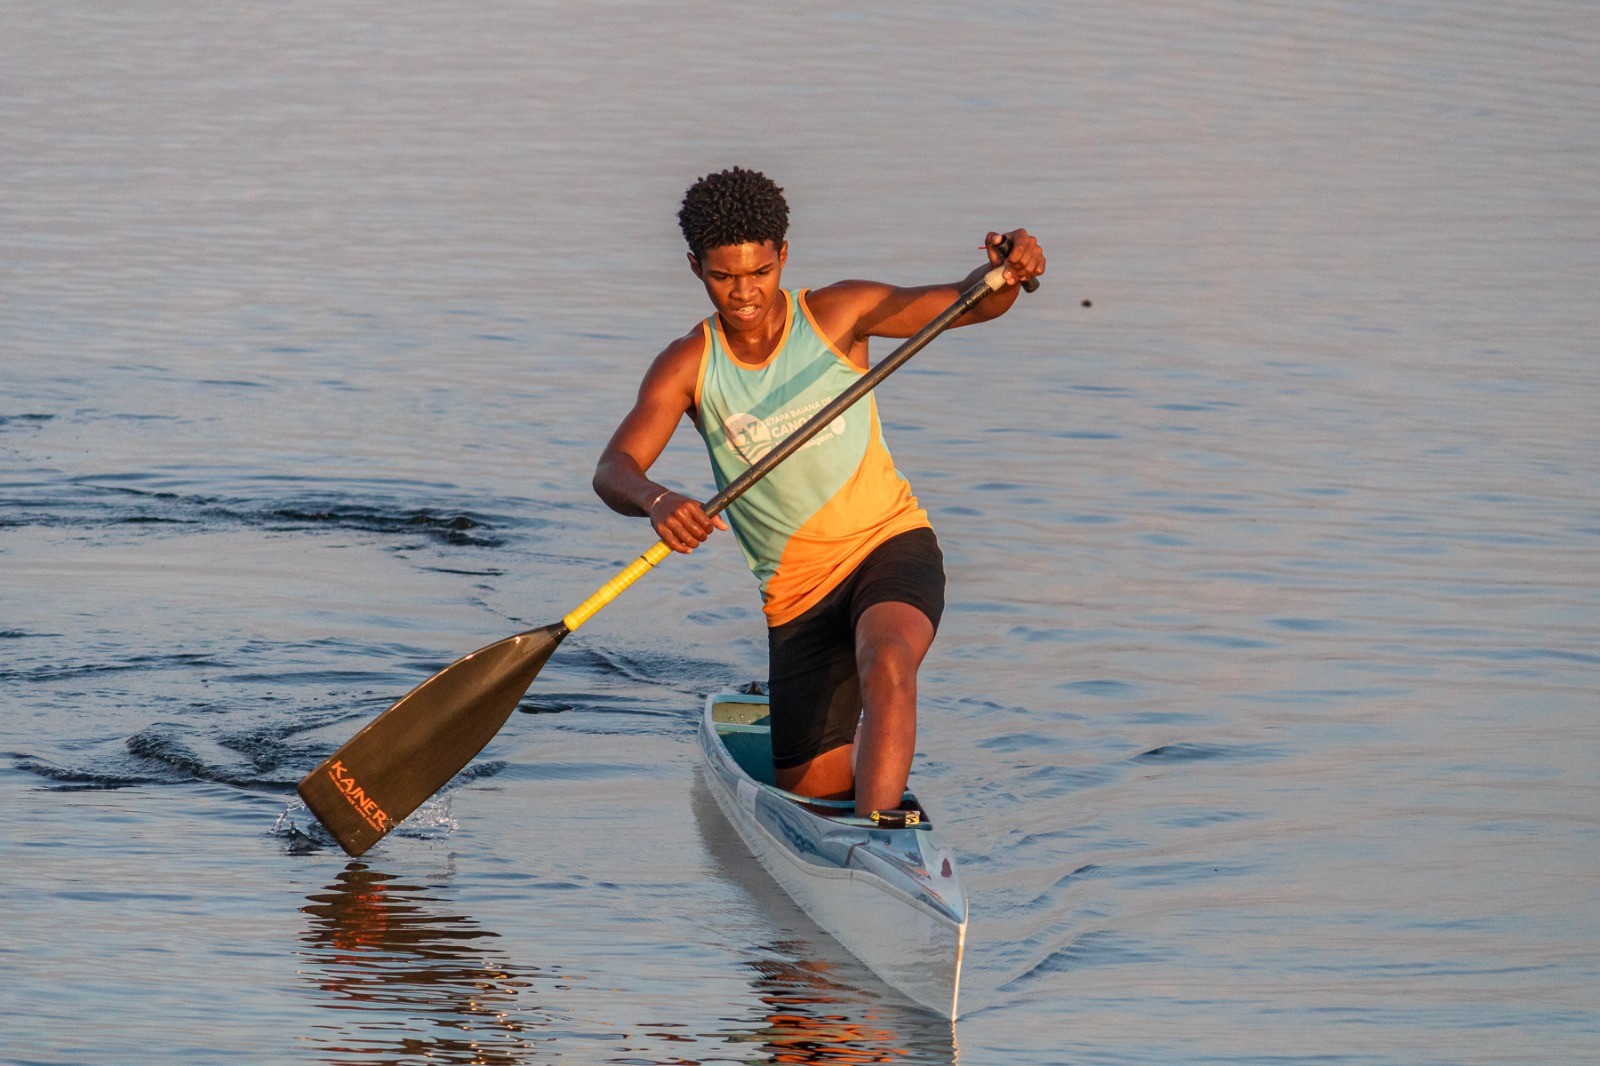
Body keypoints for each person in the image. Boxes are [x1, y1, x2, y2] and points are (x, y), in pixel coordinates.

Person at [593, 167, 1044, 817]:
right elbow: (614, 468)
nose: (744, 292)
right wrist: (656, 499)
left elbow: (969, 300)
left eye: (759, 271)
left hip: (889, 547)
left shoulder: (839, 313)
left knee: (888, 661)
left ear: (784, 255)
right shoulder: (688, 365)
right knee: (811, 794)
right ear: (695, 267)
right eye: (724, 277)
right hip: (796, 599)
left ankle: (878, 835)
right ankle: (855, 814)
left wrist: (1013, 272)